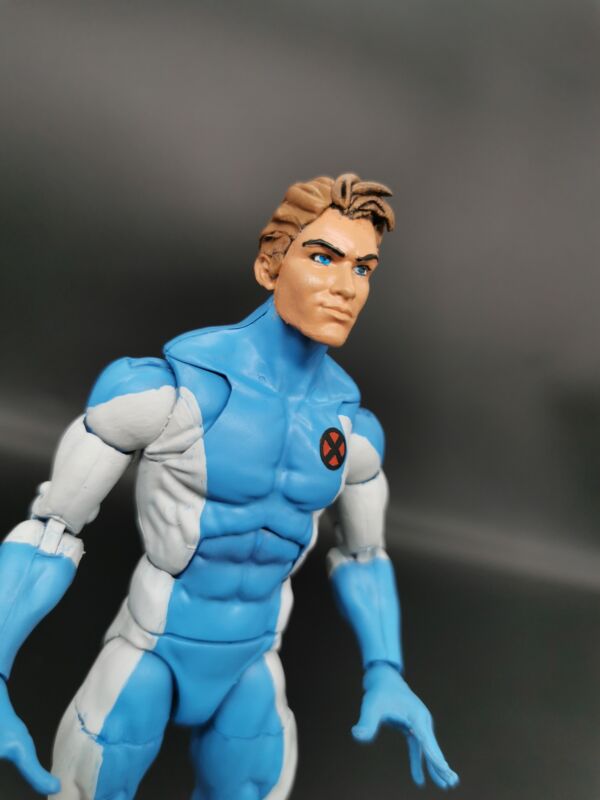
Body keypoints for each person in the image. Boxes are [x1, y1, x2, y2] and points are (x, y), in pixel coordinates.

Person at [0, 174, 459, 798]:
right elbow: (49, 533)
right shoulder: (170, 392)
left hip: (252, 663)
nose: (346, 287)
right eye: (323, 258)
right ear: (271, 266)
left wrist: (385, 668)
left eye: (363, 268)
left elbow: (365, 556)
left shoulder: (351, 429)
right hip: (150, 651)